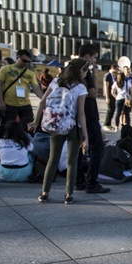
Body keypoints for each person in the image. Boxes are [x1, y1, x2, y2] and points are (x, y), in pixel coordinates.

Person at [33, 58, 89, 204]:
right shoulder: (81, 88)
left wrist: (35, 121)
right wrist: (86, 137)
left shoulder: (56, 82)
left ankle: (45, 192)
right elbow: (81, 114)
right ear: (81, 71)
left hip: (56, 124)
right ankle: (68, 194)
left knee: (53, 159)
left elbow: (42, 102)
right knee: (71, 161)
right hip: (73, 126)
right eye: (86, 70)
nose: (86, 73)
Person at [74, 44, 110, 194]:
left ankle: (78, 181)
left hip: (75, 115)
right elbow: (93, 93)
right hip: (88, 114)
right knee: (97, 148)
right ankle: (91, 182)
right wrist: (94, 74)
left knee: (76, 149)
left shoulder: (70, 68)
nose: (95, 60)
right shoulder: (83, 70)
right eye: (94, 57)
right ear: (87, 56)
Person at [0, 49, 43, 126]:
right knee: (6, 126)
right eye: (24, 61)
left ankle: (25, 137)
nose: (26, 63)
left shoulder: (30, 74)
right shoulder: (5, 69)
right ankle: (1, 138)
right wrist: (0, 101)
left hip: (25, 104)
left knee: (28, 125)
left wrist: (44, 99)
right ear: (18, 58)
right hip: (9, 104)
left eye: (28, 62)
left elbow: (36, 88)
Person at [103, 64, 118, 131]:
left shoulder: (115, 76)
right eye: (117, 69)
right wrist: (107, 97)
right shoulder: (108, 75)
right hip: (109, 94)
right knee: (110, 109)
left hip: (114, 95)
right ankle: (106, 124)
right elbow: (106, 86)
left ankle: (109, 124)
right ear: (113, 68)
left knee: (113, 109)